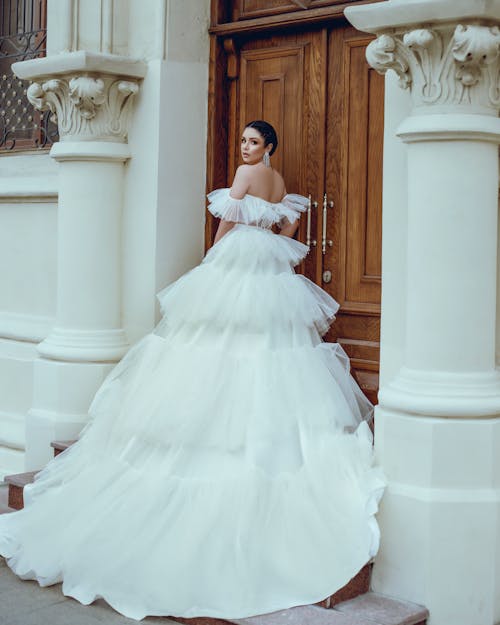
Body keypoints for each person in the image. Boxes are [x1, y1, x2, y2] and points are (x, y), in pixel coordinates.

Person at [0, 120, 386, 622]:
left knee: (215, 340)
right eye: (244, 140)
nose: (245, 147)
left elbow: (226, 222)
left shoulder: (247, 176)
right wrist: (266, 233)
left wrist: (213, 258)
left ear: (267, 145)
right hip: (269, 268)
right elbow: (289, 228)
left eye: (252, 141)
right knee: (269, 347)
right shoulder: (280, 181)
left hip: (237, 264)